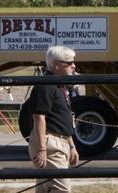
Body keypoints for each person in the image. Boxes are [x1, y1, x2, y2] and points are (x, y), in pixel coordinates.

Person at [26, 46, 80, 193]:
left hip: (59, 141)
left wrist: (72, 146)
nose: (74, 66)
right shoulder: (46, 86)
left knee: (45, 190)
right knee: (62, 190)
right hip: (50, 143)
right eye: (69, 63)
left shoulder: (60, 86)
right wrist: (42, 149)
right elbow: (39, 117)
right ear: (56, 65)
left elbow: (61, 119)